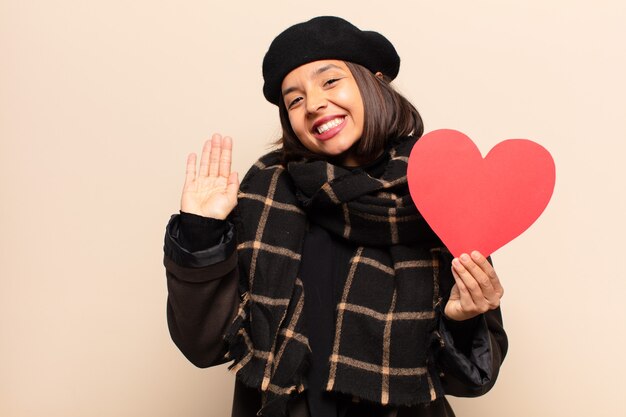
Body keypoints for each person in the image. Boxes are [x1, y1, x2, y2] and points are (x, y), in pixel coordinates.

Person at [163, 16, 507, 417]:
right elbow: (205, 346)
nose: (313, 104)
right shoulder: (264, 193)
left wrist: (462, 321)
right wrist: (201, 232)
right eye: (294, 99)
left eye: (330, 81)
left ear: (375, 82)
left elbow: (470, 381)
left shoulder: (441, 193)